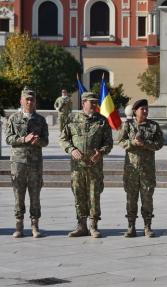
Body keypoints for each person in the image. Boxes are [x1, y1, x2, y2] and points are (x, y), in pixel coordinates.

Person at [59, 92, 113, 238]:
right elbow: (63, 139)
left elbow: (109, 143)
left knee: (94, 195)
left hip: (95, 166)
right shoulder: (72, 119)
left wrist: (101, 152)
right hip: (77, 167)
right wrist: (71, 149)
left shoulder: (102, 121)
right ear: (83, 103)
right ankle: (81, 225)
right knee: (78, 194)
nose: (94, 105)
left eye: (96, 102)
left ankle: (94, 226)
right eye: (92, 102)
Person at [5, 87, 49, 238]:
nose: (30, 102)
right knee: (18, 194)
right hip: (18, 163)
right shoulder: (13, 119)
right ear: (21, 101)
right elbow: (8, 139)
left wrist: (38, 141)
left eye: (32, 99)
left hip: (35, 163)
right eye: (27, 99)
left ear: (35, 102)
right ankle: (19, 225)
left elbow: (46, 141)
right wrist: (24, 139)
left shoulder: (41, 120)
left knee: (35, 194)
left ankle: (35, 225)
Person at [118, 99, 164, 237]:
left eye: (146, 108)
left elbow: (159, 144)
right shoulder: (128, 125)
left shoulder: (154, 126)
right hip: (131, 170)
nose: (145, 111)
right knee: (131, 198)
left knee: (147, 198)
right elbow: (120, 141)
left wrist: (145, 144)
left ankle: (147, 226)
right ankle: (131, 226)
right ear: (135, 111)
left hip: (147, 170)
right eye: (142, 109)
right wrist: (132, 142)